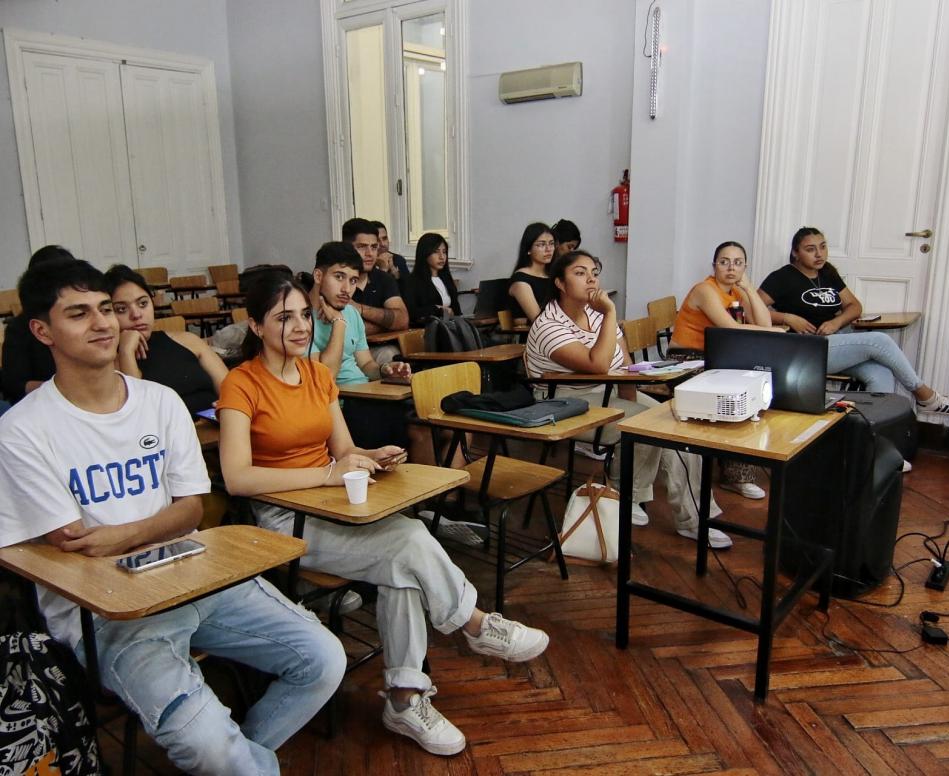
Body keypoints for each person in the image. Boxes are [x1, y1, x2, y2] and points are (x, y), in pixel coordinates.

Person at [0, 260, 344, 776]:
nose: (102, 324)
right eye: (79, 314)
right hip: (109, 613)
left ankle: (237, 758)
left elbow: (190, 509)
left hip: (196, 574)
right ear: (42, 331)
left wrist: (124, 534)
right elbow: (73, 545)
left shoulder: (159, 403)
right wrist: (154, 529)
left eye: (106, 309)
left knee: (324, 660)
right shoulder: (24, 429)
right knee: (213, 750)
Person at [218, 272, 550, 757]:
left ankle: (404, 698)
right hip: (281, 521)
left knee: (403, 568)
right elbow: (238, 479)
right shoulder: (241, 384)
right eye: (283, 318)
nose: (299, 327)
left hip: (332, 505)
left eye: (304, 316)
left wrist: (371, 456)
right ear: (256, 326)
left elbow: (344, 449)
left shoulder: (316, 374)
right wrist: (328, 476)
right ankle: (475, 625)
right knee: (408, 541)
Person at [526, 250, 732, 548]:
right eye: (580, 272)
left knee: (677, 422)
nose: (592, 278)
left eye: (594, 271)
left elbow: (622, 367)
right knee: (645, 423)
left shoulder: (596, 317)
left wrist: (634, 400)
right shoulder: (548, 324)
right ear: (559, 282)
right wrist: (611, 313)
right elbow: (597, 365)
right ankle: (628, 496)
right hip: (563, 401)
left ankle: (693, 518)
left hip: (605, 391)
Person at [759, 227, 949, 418]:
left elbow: (854, 306)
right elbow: (752, 311)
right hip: (808, 350)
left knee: (881, 374)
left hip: (837, 341)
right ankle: (927, 397)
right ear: (796, 253)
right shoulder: (782, 277)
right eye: (810, 249)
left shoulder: (827, 273)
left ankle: (873, 442)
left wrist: (837, 321)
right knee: (879, 340)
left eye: (823, 247)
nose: (819, 254)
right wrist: (787, 318)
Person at [671, 241, 778, 499]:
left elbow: (763, 321)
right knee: (735, 396)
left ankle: (738, 476)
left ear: (745, 267)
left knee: (754, 391)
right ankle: (735, 474)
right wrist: (771, 332)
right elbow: (731, 328)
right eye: (724, 262)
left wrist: (749, 289)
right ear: (714, 266)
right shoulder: (705, 290)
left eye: (738, 262)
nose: (731, 267)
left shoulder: (736, 291)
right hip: (686, 359)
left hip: (717, 359)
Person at [309, 241, 411, 448]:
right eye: (339, 277)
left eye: (353, 280)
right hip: (338, 404)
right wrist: (338, 323)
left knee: (421, 421)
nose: (347, 289)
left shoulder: (351, 313)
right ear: (318, 276)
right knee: (393, 429)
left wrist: (384, 370)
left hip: (366, 397)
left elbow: (366, 365)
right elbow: (325, 378)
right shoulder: (301, 320)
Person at [104, 264, 228, 414]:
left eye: (143, 303)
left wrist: (228, 408)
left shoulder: (188, 341)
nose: (136, 315)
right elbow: (138, 413)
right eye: (121, 309)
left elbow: (231, 392)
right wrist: (126, 352)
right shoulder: (107, 363)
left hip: (216, 429)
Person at [0, 245, 74, 402]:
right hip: (42, 403)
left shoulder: (89, 320)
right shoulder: (19, 328)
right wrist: (63, 391)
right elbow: (13, 384)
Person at [405, 232, 462, 326]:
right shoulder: (412, 281)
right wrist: (437, 309)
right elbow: (411, 312)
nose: (441, 257)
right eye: (436, 252)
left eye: (444, 252)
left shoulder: (446, 279)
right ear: (425, 253)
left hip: (451, 328)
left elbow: (457, 311)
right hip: (429, 331)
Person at [508, 222, 556, 322]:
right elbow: (539, 320)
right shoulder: (520, 280)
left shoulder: (554, 276)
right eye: (541, 244)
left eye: (551, 244)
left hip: (560, 330)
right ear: (528, 249)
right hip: (537, 334)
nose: (548, 249)